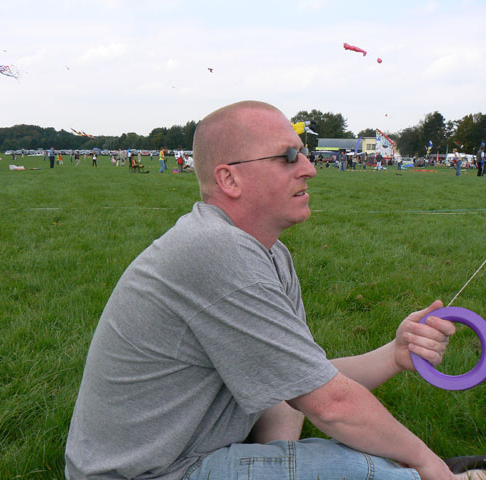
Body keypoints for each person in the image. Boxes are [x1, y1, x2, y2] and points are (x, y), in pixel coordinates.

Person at [65, 100, 485, 480]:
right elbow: (331, 405)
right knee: (364, 470)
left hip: (190, 455)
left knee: (351, 465)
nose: (309, 168)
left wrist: (394, 355)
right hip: (148, 474)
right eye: (288, 156)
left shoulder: (270, 253)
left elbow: (297, 384)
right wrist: (428, 464)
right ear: (229, 179)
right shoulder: (216, 250)